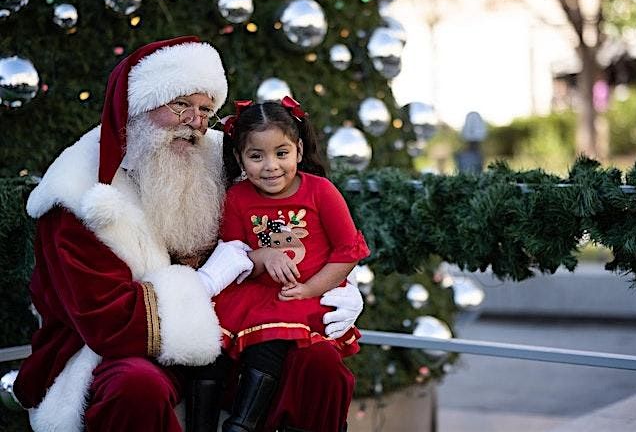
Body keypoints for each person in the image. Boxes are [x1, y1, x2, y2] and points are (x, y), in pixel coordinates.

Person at [11, 36, 365, 432]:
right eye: (181, 105)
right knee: (135, 387)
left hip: (230, 333)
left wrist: (334, 286)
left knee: (319, 367)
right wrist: (206, 283)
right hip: (119, 351)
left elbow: (287, 225)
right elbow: (108, 324)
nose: (195, 123)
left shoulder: (222, 157)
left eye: (205, 110)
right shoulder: (77, 195)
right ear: (139, 107)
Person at [188, 97, 369, 432]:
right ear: (240, 158)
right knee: (209, 342)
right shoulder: (238, 199)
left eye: (281, 153)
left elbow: (347, 252)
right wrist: (262, 256)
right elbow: (236, 256)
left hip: (302, 295)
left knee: (268, 343)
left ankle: (242, 424)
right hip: (253, 293)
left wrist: (310, 289)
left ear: (298, 150)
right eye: (256, 156)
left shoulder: (321, 192)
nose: (270, 165)